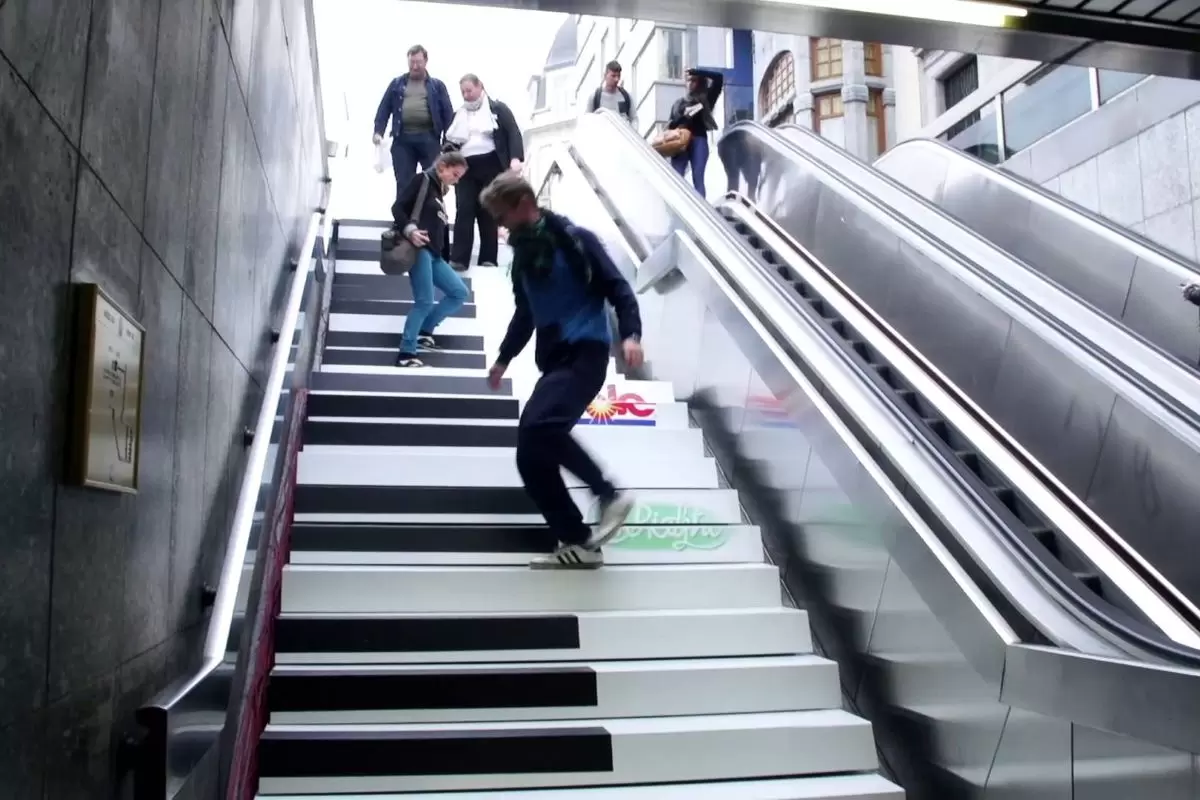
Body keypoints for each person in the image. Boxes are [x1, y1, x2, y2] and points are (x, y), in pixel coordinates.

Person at [480, 172, 643, 569]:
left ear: (523, 204)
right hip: (555, 360)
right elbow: (525, 314)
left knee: (541, 427)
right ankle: (578, 541)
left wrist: (631, 334)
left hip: (586, 352)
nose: (500, 227)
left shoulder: (575, 239)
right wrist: (504, 357)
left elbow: (617, 287)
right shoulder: (523, 258)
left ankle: (607, 493)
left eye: (502, 217)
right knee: (530, 455)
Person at [391, 151, 470, 368]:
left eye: (459, 177)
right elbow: (397, 207)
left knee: (459, 292)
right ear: (442, 167)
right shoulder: (423, 180)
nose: (456, 181)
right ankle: (406, 353)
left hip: (434, 254)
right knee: (424, 300)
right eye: (454, 174)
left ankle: (424, 331)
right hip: (420, 250)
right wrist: (410, 230)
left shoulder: (438, 192)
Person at [444, 74, 524, 271]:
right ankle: (459, 259)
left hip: (491, 164)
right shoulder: (458, 115)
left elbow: (513, 132)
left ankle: (488, 258)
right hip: (465, 167)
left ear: (480, 87)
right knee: (464, 209)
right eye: (463, 92)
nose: (466, 95)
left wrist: (515, 159)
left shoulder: (498, 109)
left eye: (469, 90)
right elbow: (447, 143)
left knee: (488, 211)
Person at [372, 45, 454, 218]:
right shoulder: (397, 84)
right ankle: (403, 222)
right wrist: (378, 131)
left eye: (418, 62)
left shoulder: (437, 86)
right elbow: (384, 108)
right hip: (403, 140)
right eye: (411, 62)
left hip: (429, 139)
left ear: (426, 61)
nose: (415, 66)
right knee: (404, 182)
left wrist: (448, 143)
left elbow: (448, 114)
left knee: (433, 181)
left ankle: (431, 220)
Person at [666, 67, 724, 197]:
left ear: (700, 82)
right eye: (688, 80)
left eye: (694, 80)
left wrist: (698, 71)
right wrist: (684, 117)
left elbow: (719, 78)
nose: (690, 83)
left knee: (698, 178)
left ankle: (701, 211)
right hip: (679, 141)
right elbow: (671, 125)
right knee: (677, 178)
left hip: (698, 139)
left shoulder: (706, 98)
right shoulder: (678, 103)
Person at [587, 61, 634, 126]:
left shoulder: (626, 96)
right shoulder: (595, 97)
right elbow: (587, 121)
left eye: (618, 76)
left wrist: (633, 131)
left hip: (621, 134)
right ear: (605, 76)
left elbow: (634, 119)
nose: (616, 79)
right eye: (613, 76)